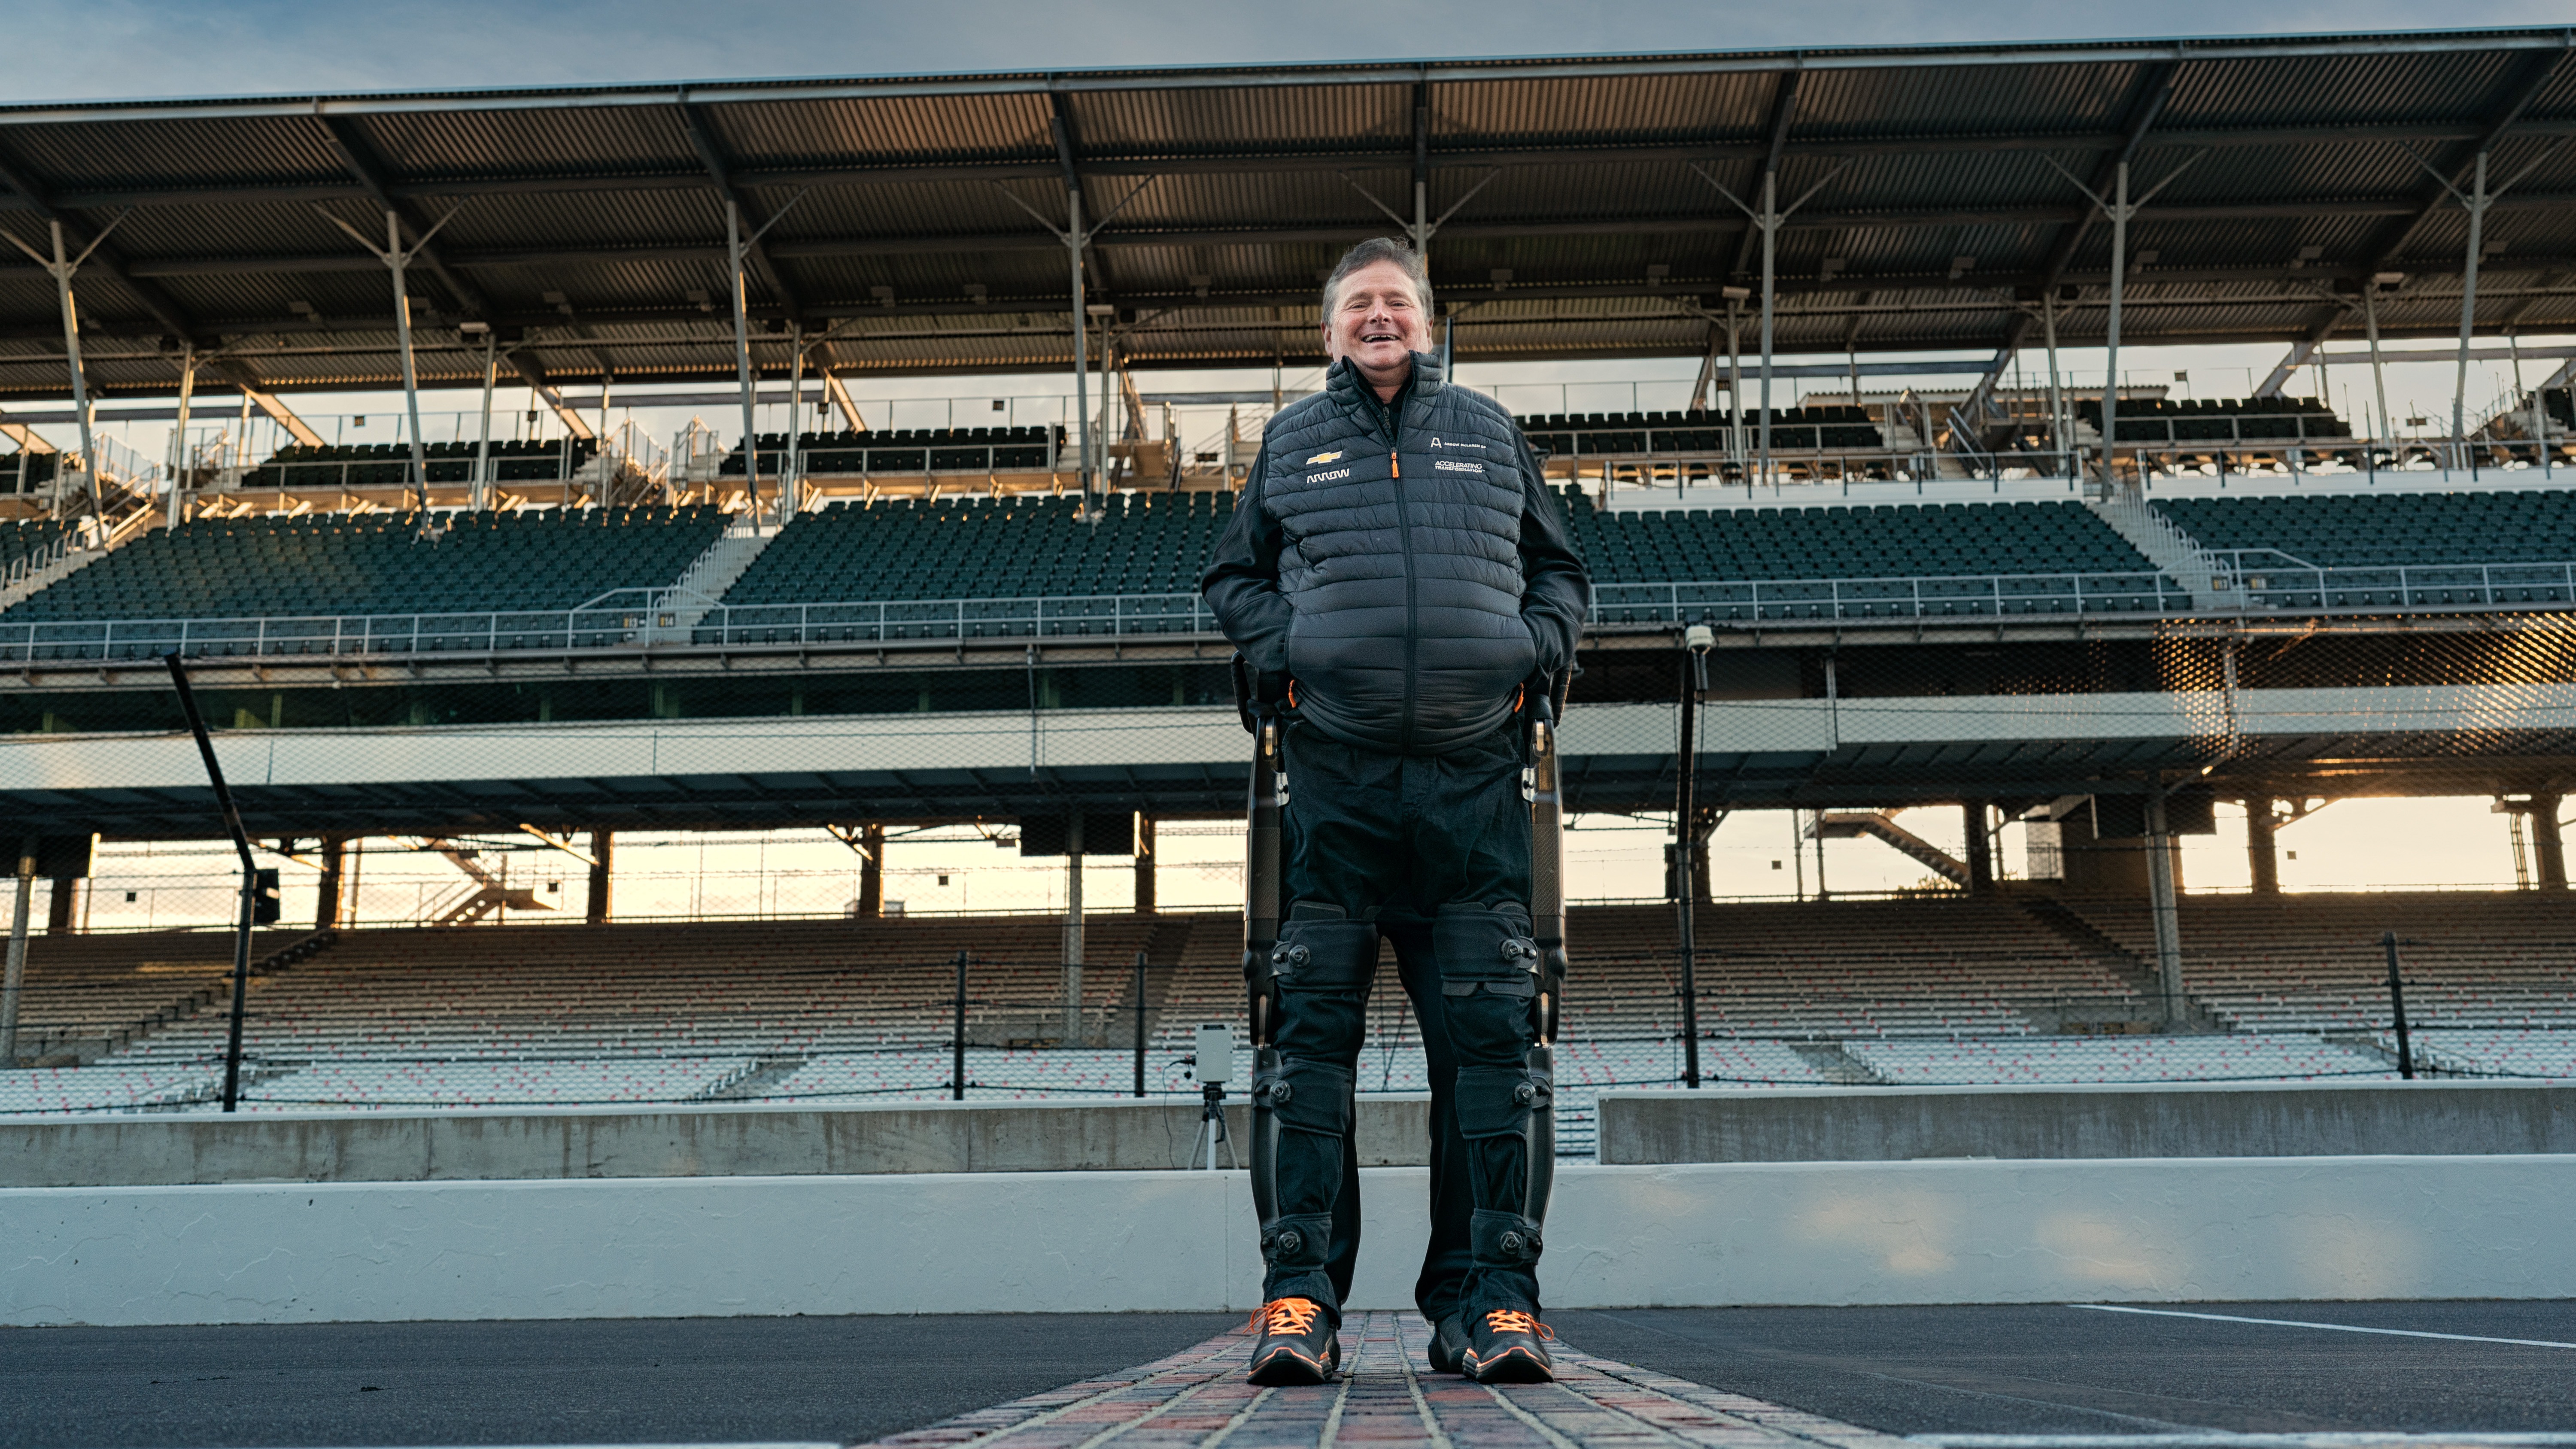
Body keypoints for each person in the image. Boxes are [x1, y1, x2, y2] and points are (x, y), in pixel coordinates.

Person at [1201, 236, 1591, 1385]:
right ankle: (1299, 1300)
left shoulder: (1489, 434)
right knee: (1306, 1057)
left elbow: (1560, 574)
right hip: (1337, 793)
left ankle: (1491, 1304)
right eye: (1359, 305)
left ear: (1428, 324)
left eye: (1398, 303)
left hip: (1475, 797)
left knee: (1493, 1061)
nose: (1381, 318)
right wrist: (1284, 651)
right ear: (1331, 333)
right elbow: (1232, 580)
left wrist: (1537, 643)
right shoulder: (1290, 443)